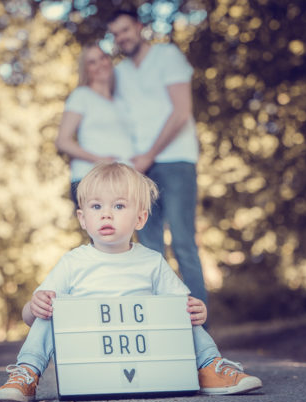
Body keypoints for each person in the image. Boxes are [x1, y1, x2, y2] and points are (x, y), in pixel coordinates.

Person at [0, 163, 262, 402]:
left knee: (184, 311)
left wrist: (197, 310)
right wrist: (33, 306)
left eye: (119, 206)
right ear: (83, 219)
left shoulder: (152, 262)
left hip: (143, 352)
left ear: (140, 219)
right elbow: (29, 318)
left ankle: (209, 367)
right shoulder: (72, 263)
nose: (106, 215)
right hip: (91, 353)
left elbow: (180, 306)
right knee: (48, 310)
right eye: (96, 207)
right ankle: (27, 373)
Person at [107, 10, 208, 305]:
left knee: (183, 242)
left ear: (139, 27)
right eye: (115, 34)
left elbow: (181, 112)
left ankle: (199, 335)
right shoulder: (120, 73)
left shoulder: (167, 56)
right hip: (138, 169)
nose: (121, 38)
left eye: (125, 30)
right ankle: (160, 328)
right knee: (148, 249)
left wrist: (150, 154)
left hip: (176, 160)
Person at [55, 42, 134, 204]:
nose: (100, 64)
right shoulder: (81, 96)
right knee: (104, 230)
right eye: (92, 62)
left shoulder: (120, 102)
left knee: (124, 230)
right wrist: (100, 160)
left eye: (102, 58)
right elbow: (63, 141)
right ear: (86, 69)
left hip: (123, 182)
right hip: (93, 179)